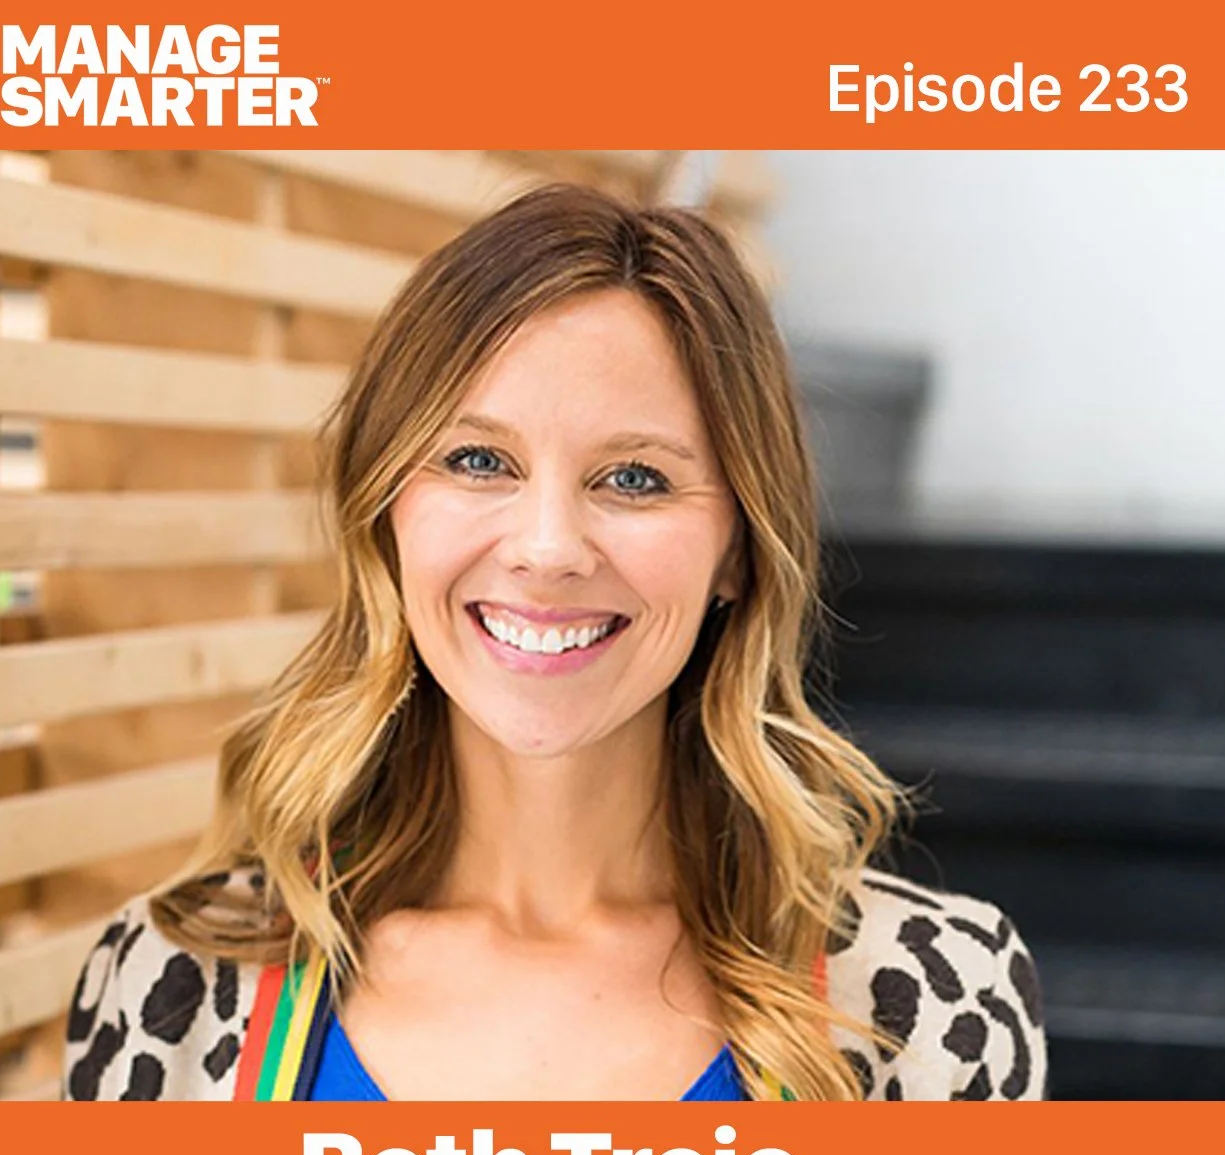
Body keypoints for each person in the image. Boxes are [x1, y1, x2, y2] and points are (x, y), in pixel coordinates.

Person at [62, 183, 1045, 1103]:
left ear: (736, 549)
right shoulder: (180, 983)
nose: (544, 549)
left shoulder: (922, 1002)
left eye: (633, 478)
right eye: (478, 460)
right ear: (386, 515)